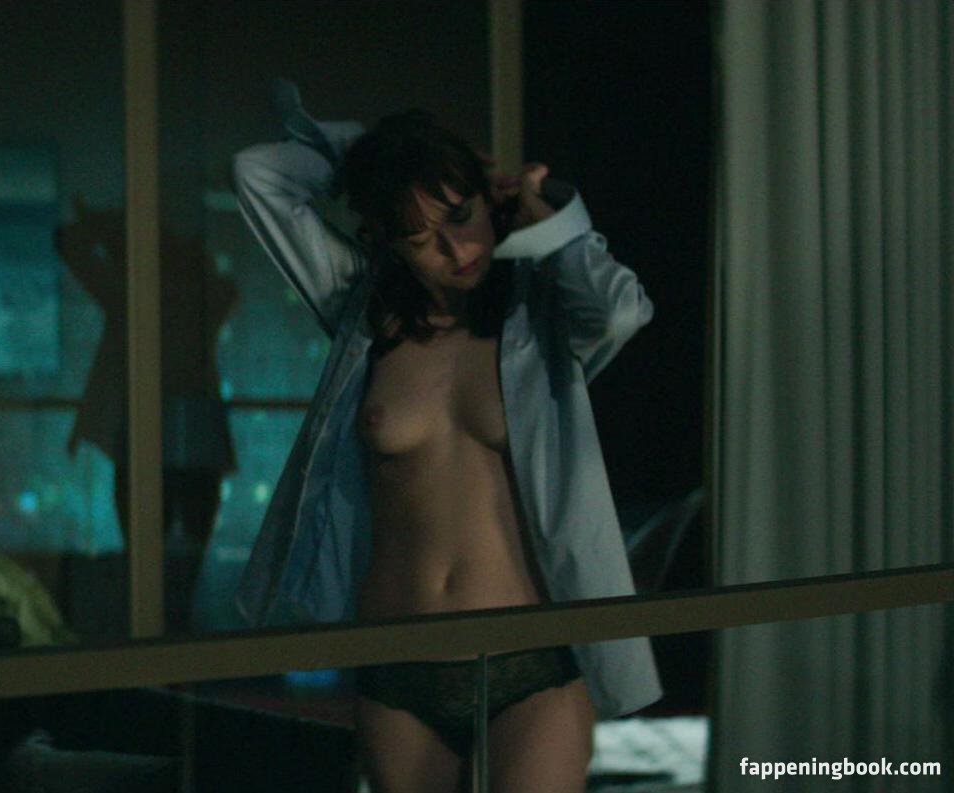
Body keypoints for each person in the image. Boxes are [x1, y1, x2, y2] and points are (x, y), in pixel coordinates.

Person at [230, 81, 662, 793]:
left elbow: (621, 312)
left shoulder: (541, 316)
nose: (455, 248)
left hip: (531, 662)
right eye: (419, 236)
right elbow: (258, 175)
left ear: (488, 198)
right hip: (398, 664)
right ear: (387, 241)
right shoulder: (362, 316)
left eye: (462, 215)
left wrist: (541, 209)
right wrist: (384, 161)